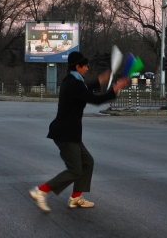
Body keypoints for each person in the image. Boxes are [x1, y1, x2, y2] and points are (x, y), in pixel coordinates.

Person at [29, 51, 129, 212]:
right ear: (78, 66)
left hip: (71, 133)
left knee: (87, 162)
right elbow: (95, 100)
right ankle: (41, 191)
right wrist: (115, 89)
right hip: (65, 133)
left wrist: (100, 81)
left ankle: (75, 198)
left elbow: (86, 88)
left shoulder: (72, 81)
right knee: (75, 170)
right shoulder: (74, 84)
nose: (88, 69)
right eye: (85, 66)